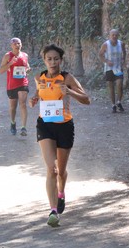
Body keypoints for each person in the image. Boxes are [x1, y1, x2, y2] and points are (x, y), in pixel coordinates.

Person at [29, 44, 91, 227]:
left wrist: (69, 91)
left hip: (64, 126)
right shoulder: (38, 77)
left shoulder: (67, 77)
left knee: (62, 172)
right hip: (45, 125)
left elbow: (87, 99)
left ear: (61, 60)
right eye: (49, 59)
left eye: (56, 58)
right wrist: (34, 99)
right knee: (52, 170)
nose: (53, 62)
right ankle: (53, 211)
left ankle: (61, 192)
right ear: (44, 60)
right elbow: (38, 94)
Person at [0, 37, 31, 136]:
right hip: (12, 84)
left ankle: (24, 128)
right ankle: (13, 123)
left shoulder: (25, 55)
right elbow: (1, 71)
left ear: (21, 45)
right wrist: (11, 63)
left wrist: (28, 69)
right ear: (11, 46)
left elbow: (27, 67)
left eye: (19, 43)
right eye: (15, 44)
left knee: (23, 104)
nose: (17, 45)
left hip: (23, 83)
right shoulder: (7, 56)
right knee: (13, 107)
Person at [98, 28, 127, 113]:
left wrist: (123, 60)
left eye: (116, 35)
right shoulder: (105, 44)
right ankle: (113, 105)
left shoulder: (121, 44)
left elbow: (124, 52)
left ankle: (119, 102)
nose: (114, 36)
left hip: (117, 68)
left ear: (118, 36)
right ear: (109, 36)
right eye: (112, 35)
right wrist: (107, 61)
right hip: (109, 69)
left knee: (120, 84)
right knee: (111, 87)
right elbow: (100, 55)